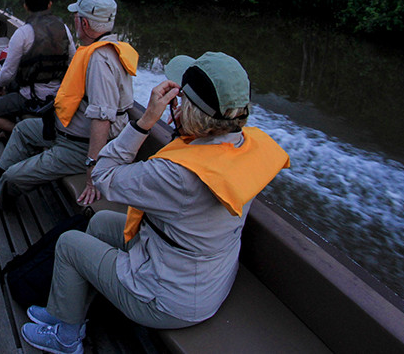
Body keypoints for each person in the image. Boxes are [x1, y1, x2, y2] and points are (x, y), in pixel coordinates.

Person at [19, 52, 290, 354]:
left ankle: (66, 338)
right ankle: (69, 310)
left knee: (69, 244)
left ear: (190, 110)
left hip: (169, 300)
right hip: (204, 277)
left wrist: (146, 120)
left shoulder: (177, 174)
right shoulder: (243, 145)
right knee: (100, 222)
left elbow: (102, 175)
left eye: (182, 98)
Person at [0, 0, 137, 209]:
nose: (73, 20)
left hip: (80, 147)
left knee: (12, 178)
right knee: (23, 129)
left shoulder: (100, 61)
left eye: (76, 16)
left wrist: (93, 170)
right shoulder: (101, 49)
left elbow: (102, 119)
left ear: (84, 23)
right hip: (67, 131)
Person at [0, 0, 75, 143]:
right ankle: (12, 133)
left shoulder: (23, 33)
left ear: (25, 6)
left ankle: (22, 131)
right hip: (58, 96)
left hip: (31, 98)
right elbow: (73, 61)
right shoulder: (64, 29)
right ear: (50, 4)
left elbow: (8, 72)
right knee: (12, 86)